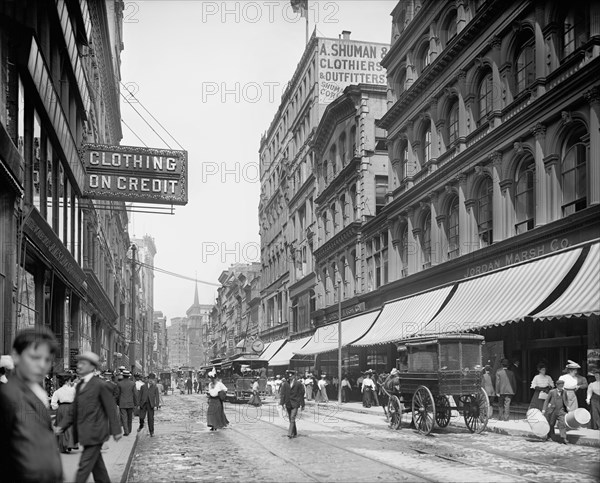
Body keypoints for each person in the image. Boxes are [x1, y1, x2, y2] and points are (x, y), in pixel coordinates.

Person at [0, 327, 63, 483]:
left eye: (47, 359)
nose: (42, 365)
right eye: (35, 357)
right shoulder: (7, 396)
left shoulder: (36, 392)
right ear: (16, 356)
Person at [57, 351, 122, 483]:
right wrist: (61, 426)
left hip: (95, 433)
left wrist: (116, 430)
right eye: (79, 363)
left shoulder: (100, 385)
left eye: (83, 363)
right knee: (99, 470)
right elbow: (73, 410)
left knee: (83, 468)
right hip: (85, 433)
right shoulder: (80, 385)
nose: (79, 366)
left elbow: (110, 408)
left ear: (92, 367)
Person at [51, 374, 78, 453]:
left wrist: (58, 407)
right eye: (69, 380)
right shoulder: (73, 390)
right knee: (71, 426)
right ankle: (70, 444)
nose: (71, 382)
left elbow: (53, 405)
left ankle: (63, 446)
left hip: (61, 408)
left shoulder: (57, 391)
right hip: (71, 407)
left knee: (61, 426)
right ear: (67, 381)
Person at [542, 379, 569, 444]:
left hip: (561, 410)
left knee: (562, 423)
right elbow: (547, 400)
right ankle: (550, 436)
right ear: (557, 385)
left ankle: (563, 438)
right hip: (552, 410)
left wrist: (567, 406)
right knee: (551, 424)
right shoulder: (552, 392)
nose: (561, 387)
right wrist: (544, 409)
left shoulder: (564, 392)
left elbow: (566, 400)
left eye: (562, 386)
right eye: (560, 386)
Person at [279, 370, 305, 438]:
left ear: (294, 376)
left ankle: (290, 433)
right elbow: (283, 394)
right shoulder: (285, 384)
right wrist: (282, 403)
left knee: (292, 417)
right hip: (288, 403)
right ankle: (295, 432)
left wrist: (302, 404)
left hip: (295, 403)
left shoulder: (298, 384)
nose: (289, 377)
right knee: (291, 419)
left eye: (291, 376)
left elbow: (301, 394)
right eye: (288, 376)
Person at [117, 370, 138, 436]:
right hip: (130, 403)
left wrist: (117, 402)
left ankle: (126, 431)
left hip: (122, 403)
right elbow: (135, 394)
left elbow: (117, 394)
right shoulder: (132, 383)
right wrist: (136, 403)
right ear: (129, 376)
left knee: (124, 418)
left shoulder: (119, 383)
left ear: (123, 376)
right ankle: (129, 429)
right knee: (129, 417)